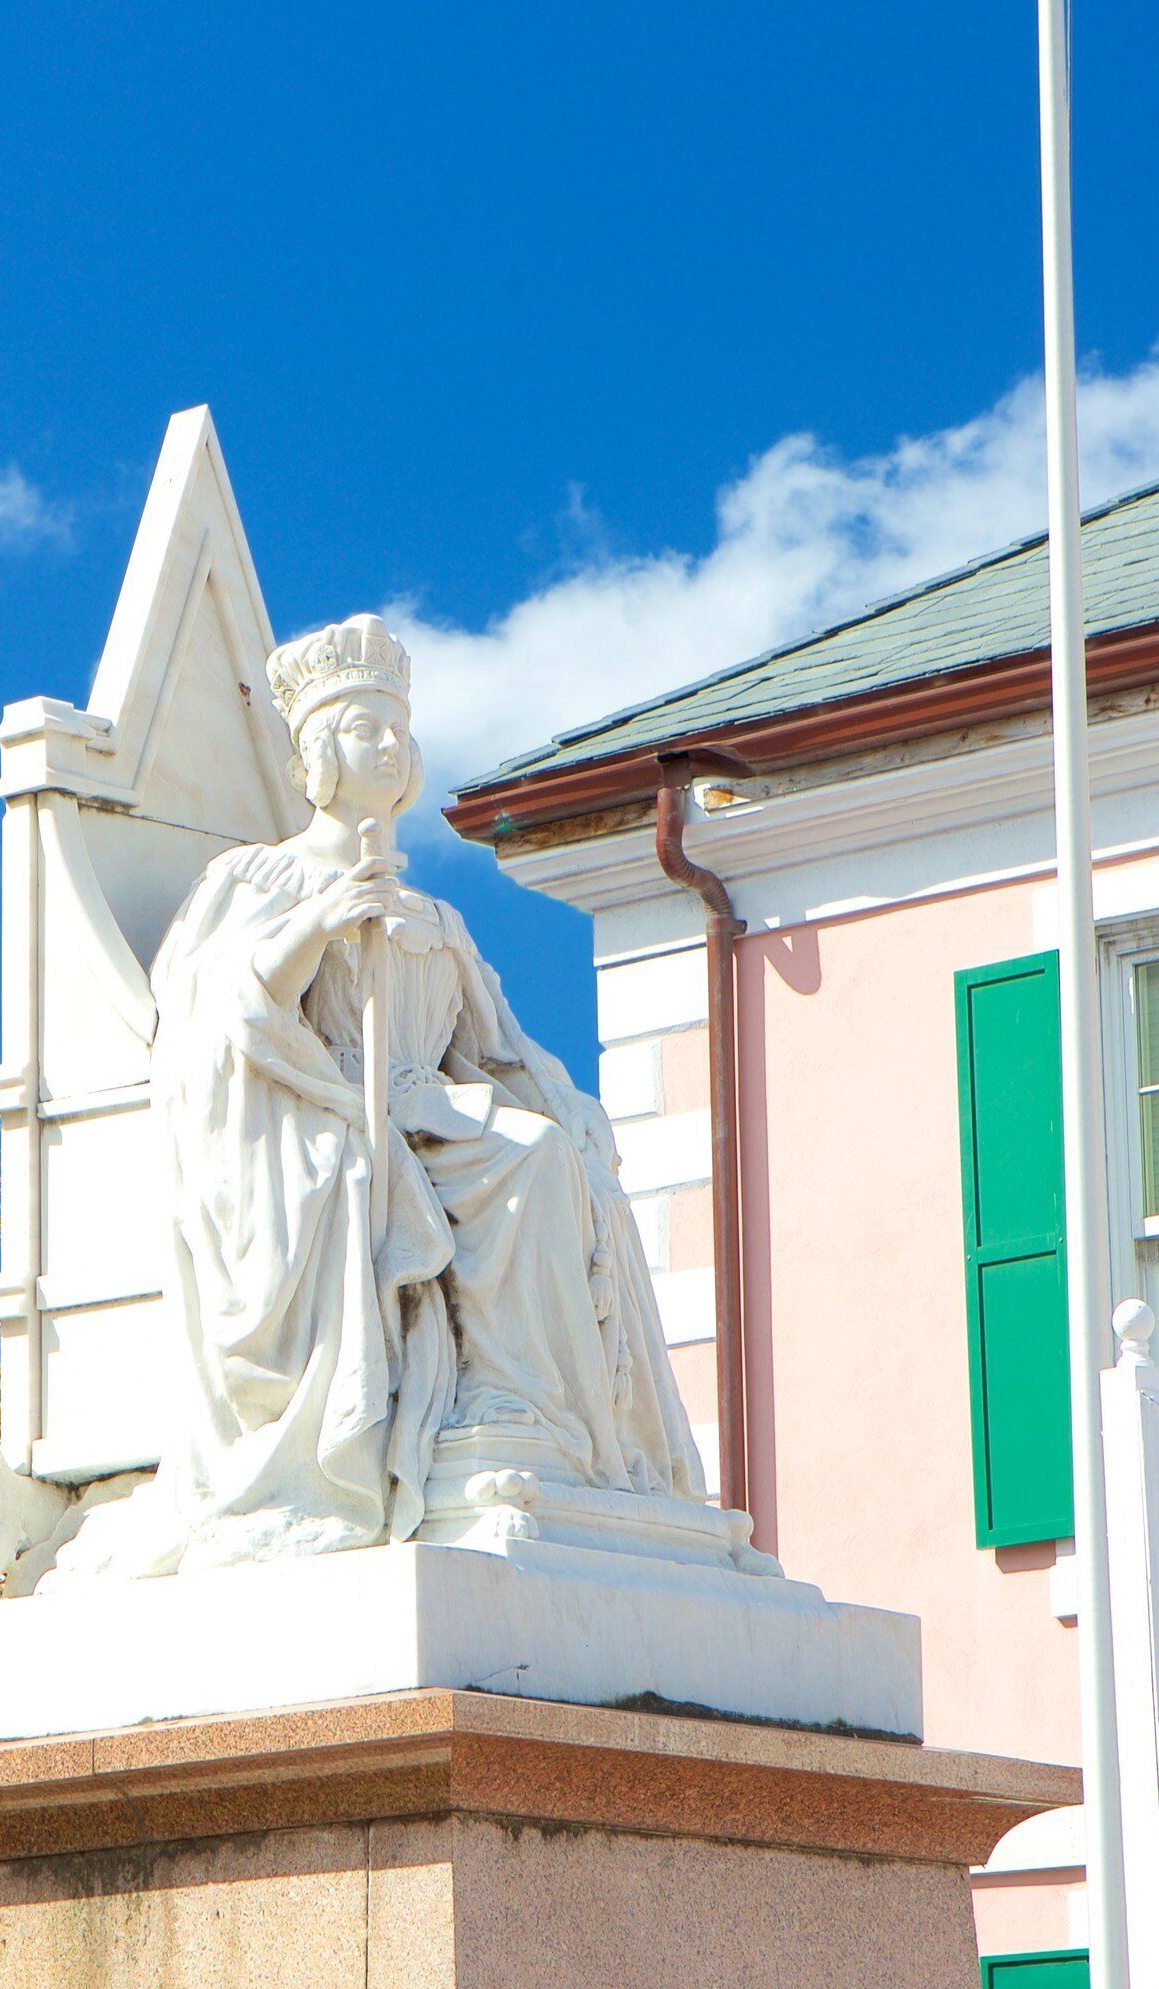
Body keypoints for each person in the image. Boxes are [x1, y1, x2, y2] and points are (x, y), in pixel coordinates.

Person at [51, 616, 696, 1578]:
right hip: (325, 1112)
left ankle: (530, 1416)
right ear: (315, 753)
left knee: (548, 1151)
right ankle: (487, 1416)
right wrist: (320, 921)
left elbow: (496, 1050)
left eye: (397, 727)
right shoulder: (259, 876)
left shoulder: (436, 915)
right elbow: (214, 1015)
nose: (387, 744)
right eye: (362, 728)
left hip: (427, 1109)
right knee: (515, 1163)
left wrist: (567, 1100)